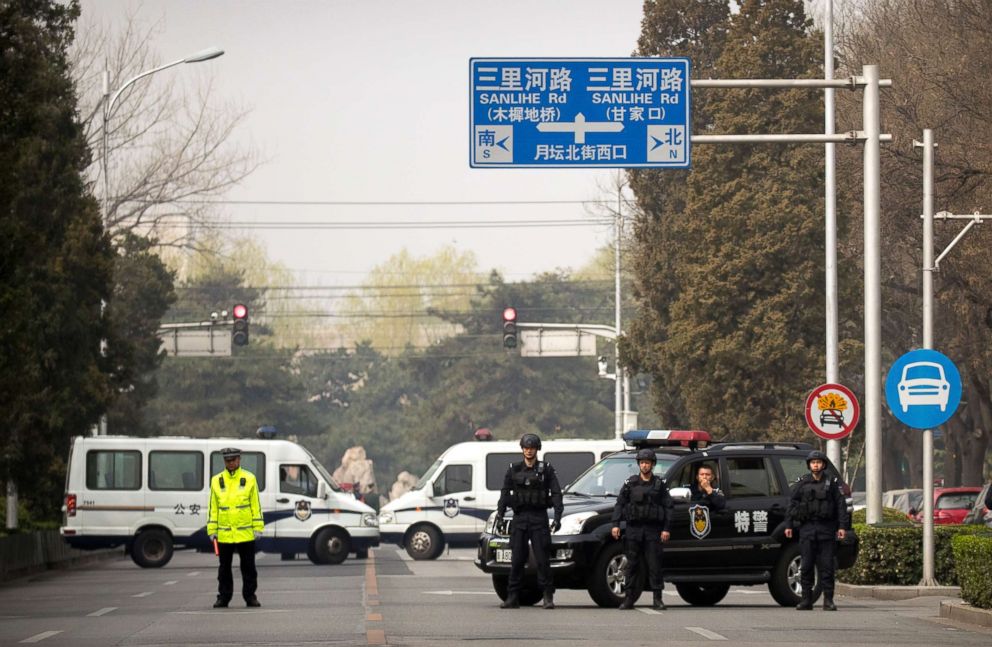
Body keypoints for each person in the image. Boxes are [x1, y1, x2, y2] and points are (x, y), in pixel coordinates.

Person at [495, 433, 564, 610]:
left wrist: (557, 517)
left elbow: (556, 494)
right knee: (517, 559)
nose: (529, 451)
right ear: (522, 449)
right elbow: (504, 494)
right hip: (519, 518)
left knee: (542, 559)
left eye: (532, 448)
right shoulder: (513, 469)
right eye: (526, 448)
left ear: (537, 449)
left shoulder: (546, 469)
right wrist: (500, 516)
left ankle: (547, 596)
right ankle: (512, 597)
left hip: (539, 517)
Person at [784, 450, 848, 611]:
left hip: (826, 529)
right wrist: (788, 526)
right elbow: (791, 504)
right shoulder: (803, 483)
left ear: (823, 464)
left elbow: (841, 506)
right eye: (813, 462)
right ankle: (806, 600)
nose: (816, 465)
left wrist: (842, 527)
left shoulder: (831, 483)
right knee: (806, 566)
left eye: (818, 462)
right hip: (807, 529)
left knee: (827, 566)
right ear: (809, 465)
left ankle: (828, 600)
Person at [611, 448, 673, 610]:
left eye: (648, 463)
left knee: (655, 565)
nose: (645, 465)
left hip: (653, 530)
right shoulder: (630, 483)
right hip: (633, 530)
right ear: (639, 464)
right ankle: (629, 598)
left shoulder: (659, 485)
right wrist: (615, 524)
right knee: (631, 565)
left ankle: (657, 599)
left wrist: (666, 529)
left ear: (653, 465)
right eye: (642, 463)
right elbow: (620, 504)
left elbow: (668, 507)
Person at [207, 447, 264, 608]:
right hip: (224, 534)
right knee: (224, 569)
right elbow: (213, 507)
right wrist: (212, 530)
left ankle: (250, 596)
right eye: (227, 460)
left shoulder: (249, 478)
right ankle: (223, 597)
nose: (230, 463)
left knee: (249, 568)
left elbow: (255, 505)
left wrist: (258, 526)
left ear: (239, 460)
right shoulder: (216, 481)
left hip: (245, 533)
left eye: (233, 460)